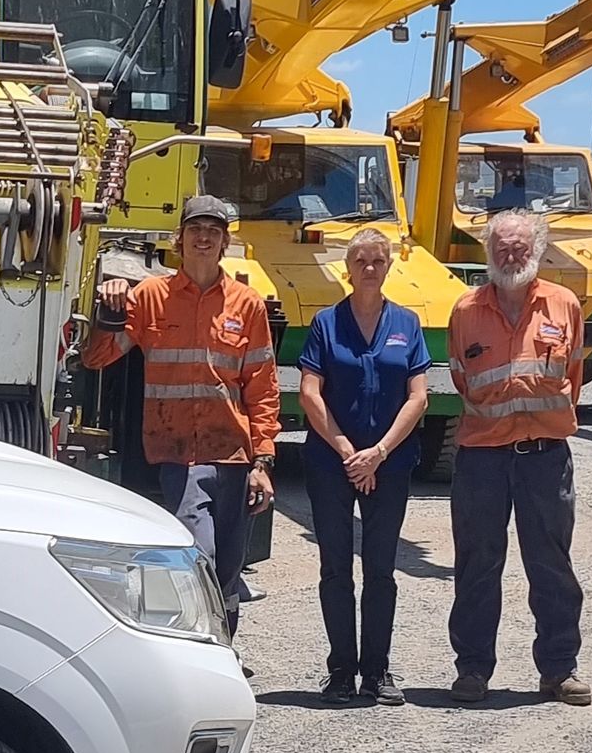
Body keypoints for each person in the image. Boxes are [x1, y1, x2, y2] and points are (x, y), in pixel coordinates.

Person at [82, 194, 279, 641]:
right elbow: (97, 359)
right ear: (179, 240)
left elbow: (262, 388)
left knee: (228, 562)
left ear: (225, 241)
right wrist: (112, 313)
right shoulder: (152, 297)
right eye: (196, 230)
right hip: (178, 454)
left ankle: (225, 640)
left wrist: (263, 462)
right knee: (200, 551)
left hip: (232, 451)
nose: (204, 238)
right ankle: (202, 645)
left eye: (213, 231)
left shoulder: (247, 305)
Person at [446, 207, 592, 706]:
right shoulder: (465, 312)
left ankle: (558, 670)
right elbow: (461, 379)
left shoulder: (564, 305)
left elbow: (572, 377)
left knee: (551, 564)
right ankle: (472, 671)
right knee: (476, 565)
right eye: (501, 246)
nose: (511, 253)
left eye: (520, 245)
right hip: (482, 458)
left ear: (538, 248)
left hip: (544, 457)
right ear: (488, 252)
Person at [296, 229, 430, 705]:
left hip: (389, 465)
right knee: (335, 568)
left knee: (381, 569)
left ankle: (377, 671)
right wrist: (348, 450)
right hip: (332, 463)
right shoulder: (325, 324)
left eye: (378, 260)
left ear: (389, 266)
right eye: (360, 260)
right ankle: (339, 672)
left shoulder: (408, 323)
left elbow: (419, 397)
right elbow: (309, 391)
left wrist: (380, 452)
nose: (369, 268)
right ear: (347, 269)